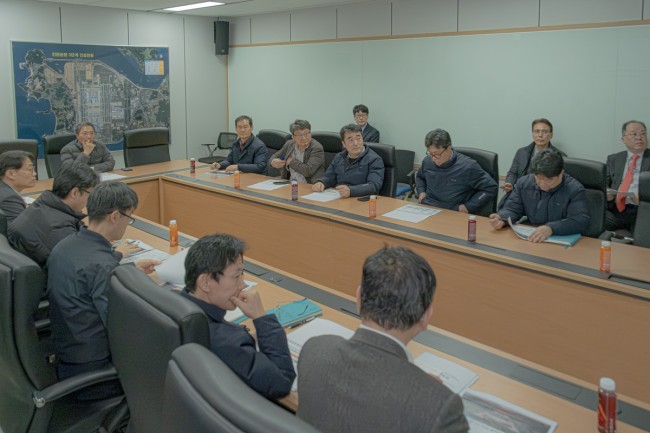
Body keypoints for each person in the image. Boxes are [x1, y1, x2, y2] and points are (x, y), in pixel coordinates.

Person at [297, 246, 469, 433]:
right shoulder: (441, 408)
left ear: (358, 299)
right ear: (426, 316)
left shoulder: (314, 350)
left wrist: (419, 386)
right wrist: (424, 391)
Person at [47, 182, 160, 398]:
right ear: (115, 216)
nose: (128, 224)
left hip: (68, 352)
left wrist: (127, 269)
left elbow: (89, 277)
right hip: (95, 371)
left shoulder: (65, 245)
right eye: (129, 217)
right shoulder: (102, 265)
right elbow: (120, 327)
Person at [180, 233, 295, 399]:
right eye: (236, 276)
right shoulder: (227, 342)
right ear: (205, 283)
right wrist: (261, 318)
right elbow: (282, 381)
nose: (243, 284)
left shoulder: (173, 302)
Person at [489, 149, 589, 242]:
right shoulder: (524, 183)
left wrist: (551, 228)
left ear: (561, 173)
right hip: (532, 237)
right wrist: (502, 218)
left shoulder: (575, 189)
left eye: (548, 180)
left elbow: (579, 222)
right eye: (538, 178)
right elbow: (513, 208)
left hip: (559, 240)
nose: (542, 184)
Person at [8, 165, 99, 267]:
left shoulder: (41, 205)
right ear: (75, 193)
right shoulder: (61, 229)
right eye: (91, 194)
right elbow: (87, 266)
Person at [415, 129, 497, 213]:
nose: (433, 158)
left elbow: (490, 187)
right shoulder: (427, 161)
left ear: (449, 148)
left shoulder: (468, 166)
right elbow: (420, 177)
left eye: (436, 154)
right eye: (430, 153)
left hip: (453, 211)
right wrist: (421, 191)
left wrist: (469, 207)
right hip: (428, 208)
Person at [499, 118, 566, 209]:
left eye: (545, 132)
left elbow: (560, 182)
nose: (540, 135)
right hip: (520, 194)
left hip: (545, 197)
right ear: (532, 134)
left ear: (551, 135)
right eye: (536, 131)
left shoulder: (560, 156)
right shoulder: (521, 152)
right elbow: (513, 173)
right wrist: (509, 183)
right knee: (504, 211)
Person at [312, 124, 384, 197]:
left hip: (361, 199)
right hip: (339, 197)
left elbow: (374, 185)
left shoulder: (374, 159)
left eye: (358, 138)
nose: (355, 143)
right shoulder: (339, 157)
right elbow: (329, 176)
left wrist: (351, 191)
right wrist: (321, 182)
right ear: (343, 143)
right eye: (350, 140)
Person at [605, 120, 650, 232]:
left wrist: (642, 201)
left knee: (641, 234)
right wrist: (607, 194)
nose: (639, 137)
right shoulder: (614, 159)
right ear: (623, 139)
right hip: (616, 209)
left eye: (643, 134)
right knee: (594, 221)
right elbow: (605, 183)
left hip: (643, 210)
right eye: (634, 134)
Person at [269, 119, 325, 183]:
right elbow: (275, 156)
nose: (303, 138)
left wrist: (291, 161)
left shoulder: (316, 148)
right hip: (290, 183)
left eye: (306, 133)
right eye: (299, 135)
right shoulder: (289, 144)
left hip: (308, 185)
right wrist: (272, 161)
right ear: (293, 137)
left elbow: (308, 171)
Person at [0, 150, 36, 223]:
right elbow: (23, 227)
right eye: (30, 169)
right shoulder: (9, 198)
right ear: (11, 174)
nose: (35, 174)